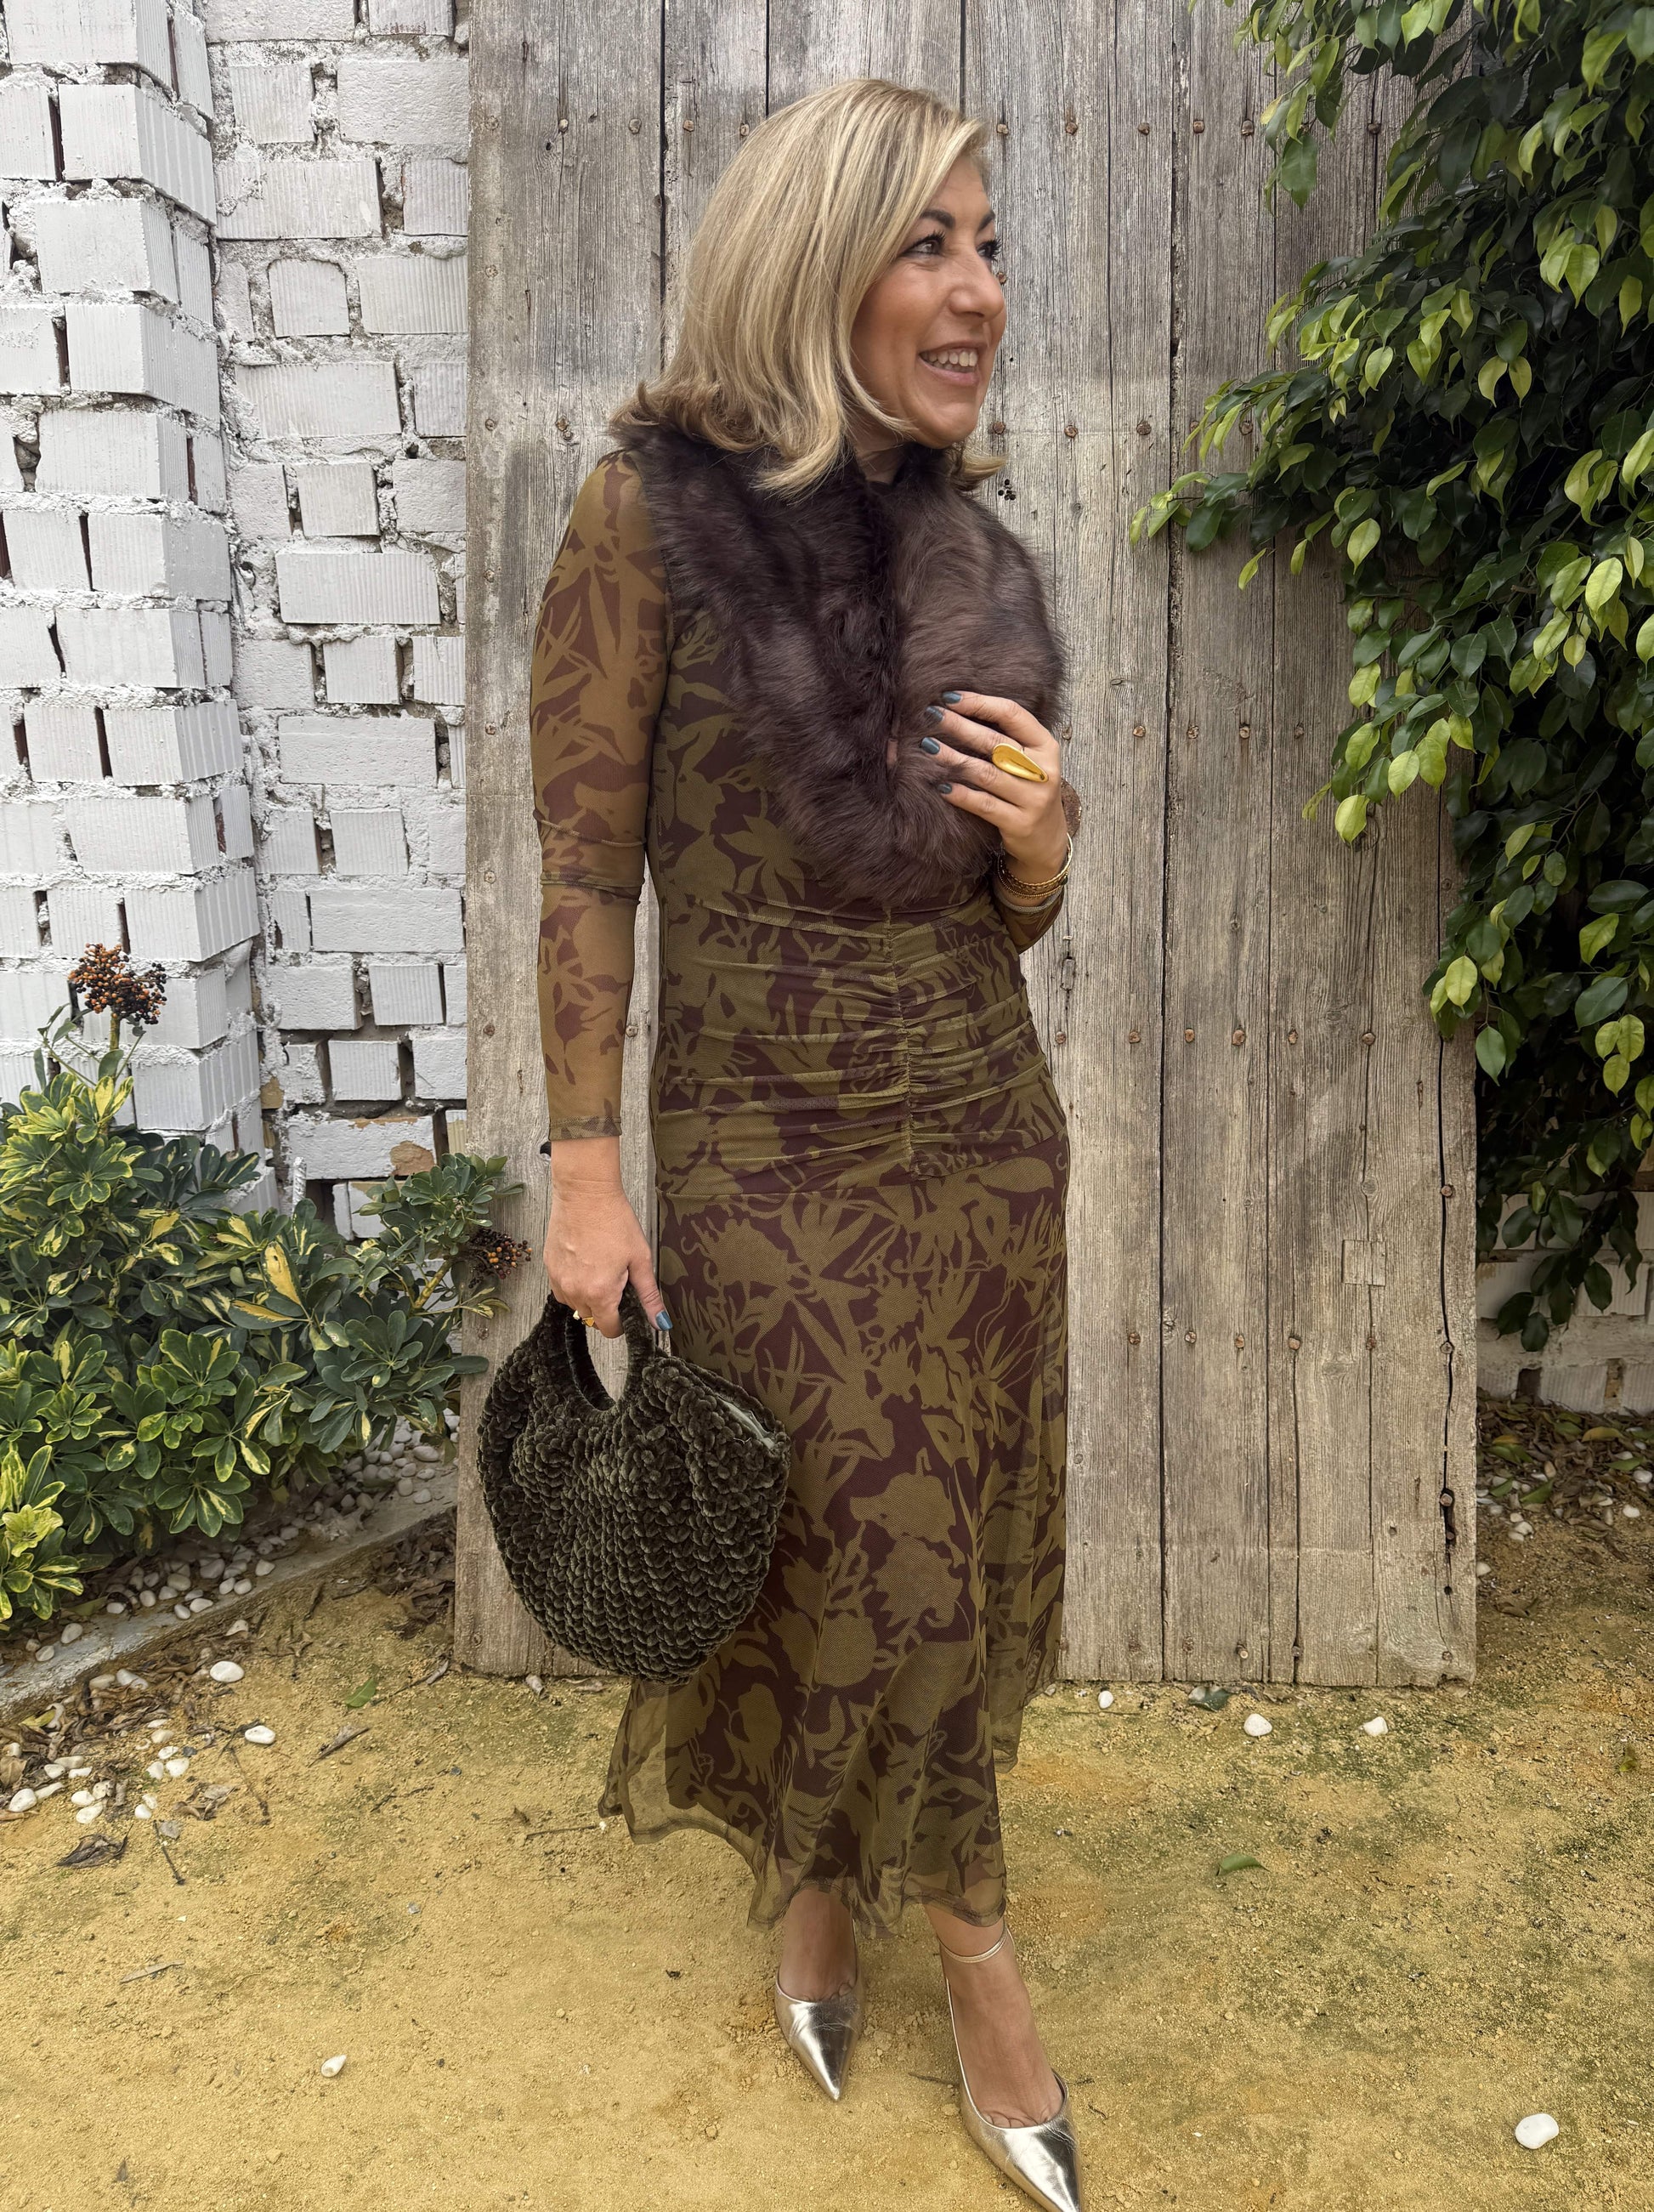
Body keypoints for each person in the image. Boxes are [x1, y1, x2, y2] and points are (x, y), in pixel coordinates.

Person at [529, 77, 1085, 2212]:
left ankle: (820, 1893)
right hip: (766, 1148)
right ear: (811, 260)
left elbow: (983, 908)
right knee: (878, 1546)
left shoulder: (966, 550)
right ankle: (984, 1966)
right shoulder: (644, 519)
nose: (979, 289)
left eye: (988, 242)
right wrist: (584, 1167)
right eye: (929, 241)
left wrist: (1044, 854)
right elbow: (587, 867)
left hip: (979, 1129)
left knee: (942, 1537)